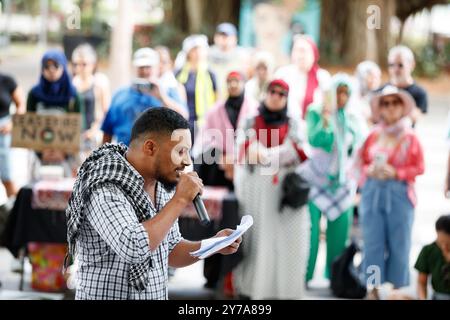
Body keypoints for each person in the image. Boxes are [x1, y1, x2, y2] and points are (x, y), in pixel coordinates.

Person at [65, 108, 241, 300]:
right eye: (180, 151)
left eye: (188, 152)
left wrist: (213, 244)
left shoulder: (161, 184)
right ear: (150, 148)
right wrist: (180, 199)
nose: (187, 161)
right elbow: (133, 246)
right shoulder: (104, 186)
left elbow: (171, 250)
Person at [233, 79, 310, 299]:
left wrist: (267, 154)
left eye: (281, 94)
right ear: (265, 94)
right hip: (257, 191)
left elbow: (298, 151)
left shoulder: (294, 123)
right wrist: (257, 150)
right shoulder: (250, 120)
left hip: (284, 191)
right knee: (259, 240)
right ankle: (255, 291)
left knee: (288, 242)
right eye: (272, 92)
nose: (276, 97)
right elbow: (243, 147)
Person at [299, 73, 364, 282]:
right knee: (311, 233)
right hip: (316, 180)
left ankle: (335, 277)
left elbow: (358, 147)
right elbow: (316, 139)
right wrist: (327, 119)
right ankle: (304, 275)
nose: (342, 97)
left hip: (342, 183)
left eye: (346, 93)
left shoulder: (352, 117)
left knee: (339, 234)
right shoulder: (316, 112)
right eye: (338, 92)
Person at [359, 85, 425, 291]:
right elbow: (361, 162)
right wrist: (370, 170)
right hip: (372, 194)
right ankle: (373, 288)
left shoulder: (410, 136)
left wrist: (397, 173)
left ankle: (397, 290)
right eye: (385, 103)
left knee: (400, 245)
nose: (390, 107)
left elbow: (420, 167)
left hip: (400, 195)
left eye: (395, 102)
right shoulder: (373, 135)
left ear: (402, 106)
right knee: (372, 245)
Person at [102, 48, 185, 146]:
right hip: (124, 156)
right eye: (141, 67)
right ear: (134, 68)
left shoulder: (167, 91)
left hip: (157, 156)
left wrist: (163, 98)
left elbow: (183, 119)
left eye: (148, 67)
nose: (145, 71)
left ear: (157, 67)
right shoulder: (120, 95)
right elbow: (107, 132)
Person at [193, 70, 258, 189]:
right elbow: (204, 139)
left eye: (236, 81)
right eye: (229, 82)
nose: (233, 85)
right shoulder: (215, 111)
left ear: (243, 83)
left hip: (247, 161)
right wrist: (221, 157)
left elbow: (258, 138)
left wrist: (237, 157)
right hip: (220, 164)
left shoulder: (255, 109)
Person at [27, 49, 84, 177]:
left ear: (63, 67)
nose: (51, 70)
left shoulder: (73, 95)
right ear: (42, 69)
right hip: (40, 156)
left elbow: (79, 127)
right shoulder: (34, 94)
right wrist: (41, 152)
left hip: (66, 157)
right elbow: (28, 125)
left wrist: (64, 152)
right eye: (47, 66)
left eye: (56, 65)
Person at [275, 35, 331, 121]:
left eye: (303, 51)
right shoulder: (282, 74)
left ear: (313, 54)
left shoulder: (323, 77)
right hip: (286, 124)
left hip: (314, 125)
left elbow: (329, 106)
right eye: (296, 50)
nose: (300, 55)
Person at [176, 35, 218, 140]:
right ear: (188, 53)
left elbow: (217, 99)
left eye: (201, 49)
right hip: (184, 123)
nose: (198, 53)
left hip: (206, 124)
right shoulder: (179, 73)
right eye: (194, 50)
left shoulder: (210, 73)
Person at [71, 43, 111, 154]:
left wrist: (94, 129)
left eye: (84, 64)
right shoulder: (72, 83)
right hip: (75, 134)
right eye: (76, 64)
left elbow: (106, 110)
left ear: (93, 64)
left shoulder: (100, 82)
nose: (79, 68)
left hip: (95, 133)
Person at [382, 45, 428, 125]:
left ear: (412, 65)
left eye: (400, 65)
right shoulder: (381, 91)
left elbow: (416, 117)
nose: (396, 69)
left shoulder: (419, 93)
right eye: (392, 65)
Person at [0, 71, 25, 200]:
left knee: (7, 177)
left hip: (3, 134)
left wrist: (11, 123)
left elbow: (21, 105)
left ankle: (14, 214)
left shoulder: (7, 80)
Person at [208, 22, 249, 100]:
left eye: (227, 36)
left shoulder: (242, 55)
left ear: (235, 38)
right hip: (212, 97)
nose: (224, 39)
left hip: (233, 97)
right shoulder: (207, 54)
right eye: (221, 35)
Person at [414, 214, 450, 300]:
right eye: (442, 242)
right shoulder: (428, 250)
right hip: (439, 296)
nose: (444, 247)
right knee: (395, 296)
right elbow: (421, 283)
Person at [354, 60, 382, 125]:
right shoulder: (354, 96)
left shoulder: (380, 96)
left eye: (376, 77)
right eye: (371, 77)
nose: (374, 80)